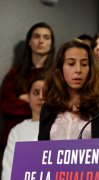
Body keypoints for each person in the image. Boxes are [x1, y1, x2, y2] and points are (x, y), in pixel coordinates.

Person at [38, 40, 99, 140]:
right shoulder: (49, 107)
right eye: (71, 64)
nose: (78, 70)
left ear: (91, 69)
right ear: (60, 68)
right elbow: (42, 151)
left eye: (84, 64)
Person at [0, 22, 55, 150]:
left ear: (51, 43)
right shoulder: (15, 73)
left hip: (46, 138)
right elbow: (6, 104)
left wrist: (27, 99)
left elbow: (58, 105)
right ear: (29, 41)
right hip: (14, 139)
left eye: (46, 37)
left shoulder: (58, 75)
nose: (41, 41)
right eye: (36, 36)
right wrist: (37, 105)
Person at [2, 76, 45, 180]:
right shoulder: (17, 131)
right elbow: (8, 169)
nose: (41, 97)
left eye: (46, 93)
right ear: (28, 97)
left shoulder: (62, 126)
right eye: (36, 93)